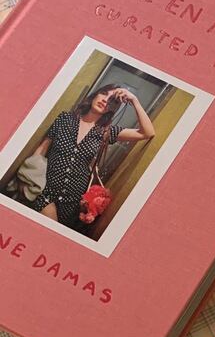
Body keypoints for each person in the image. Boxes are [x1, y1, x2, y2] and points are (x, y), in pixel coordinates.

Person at [31, 84, 155, 234]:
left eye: (112, 100)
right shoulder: (65, 118)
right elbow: (42, 149)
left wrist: (134, 100)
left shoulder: (107, 132)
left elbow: (147, 133)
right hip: (45, 191)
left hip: (74, 202)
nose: (105, 100)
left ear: (112, 109)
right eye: (103, 94)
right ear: (95, 95)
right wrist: (28, 179)